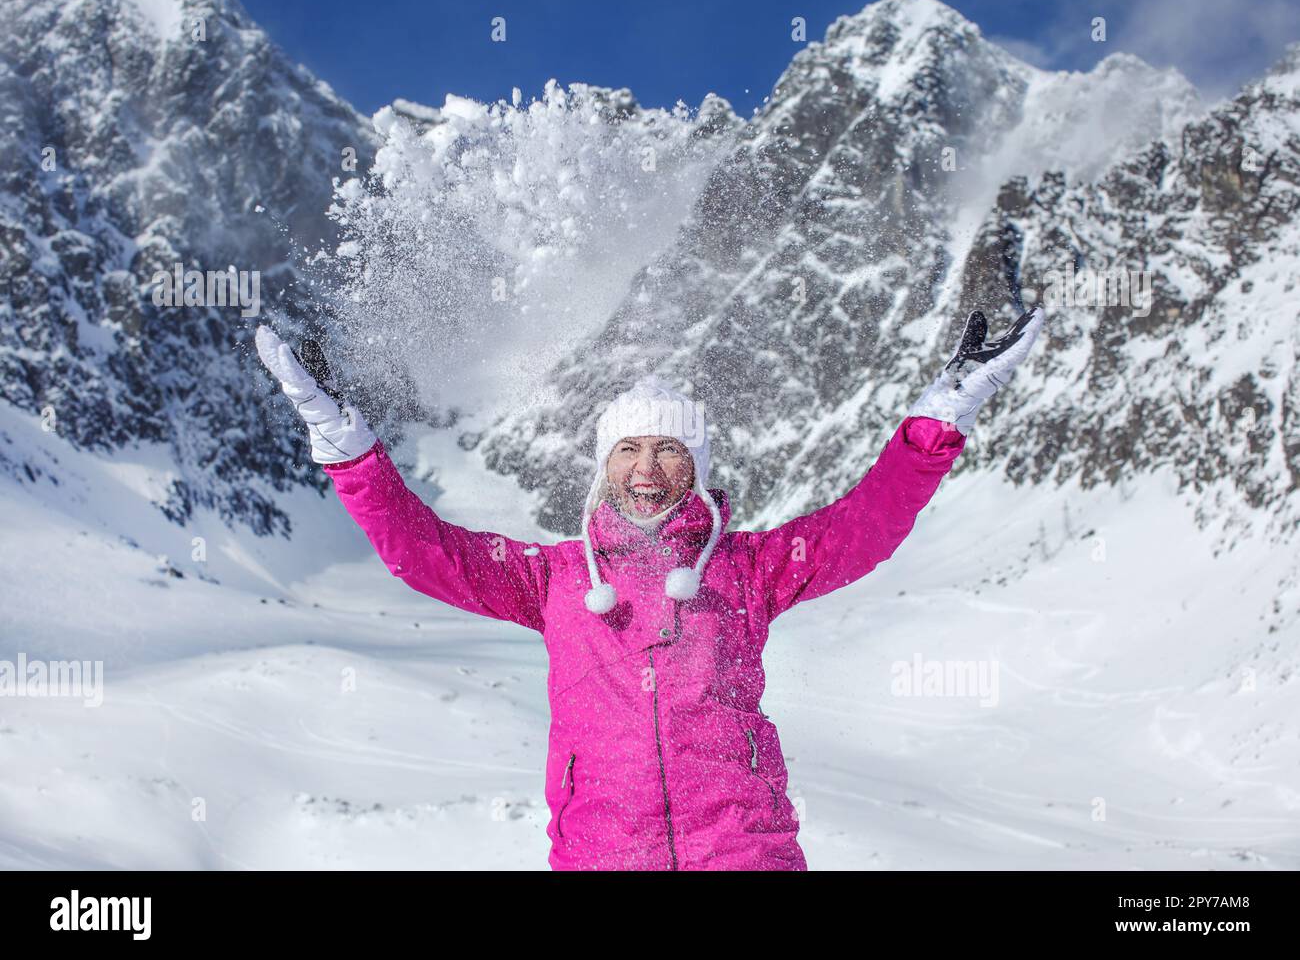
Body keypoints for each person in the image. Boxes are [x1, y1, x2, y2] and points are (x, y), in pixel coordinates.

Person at [254, 307, 1044, 870]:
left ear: (695, 466)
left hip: (746, 855)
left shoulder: (747, 567)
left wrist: (940, 417)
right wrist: (348, 447)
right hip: (602, 857)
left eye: (669, 449)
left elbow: (864, 525)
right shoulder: (553, 578)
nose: (646, 467)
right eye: (628, 448)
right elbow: (425, 552)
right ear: (603, 466)